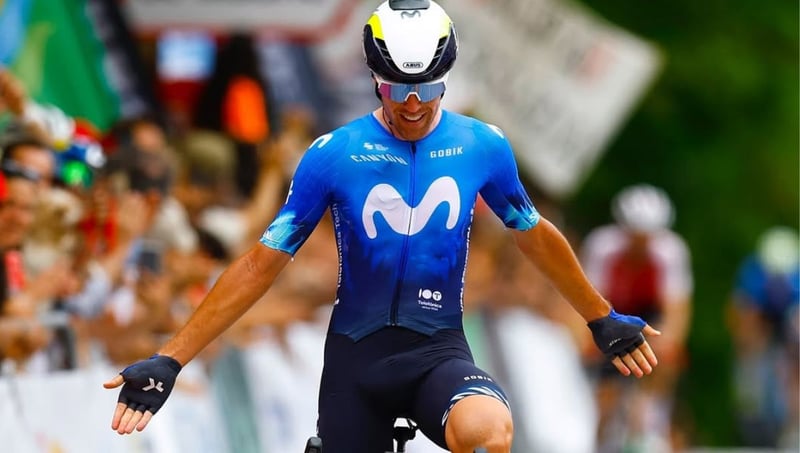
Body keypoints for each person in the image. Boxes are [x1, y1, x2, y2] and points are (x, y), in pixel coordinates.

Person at [104, 2, 660, 452]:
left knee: (489, 433)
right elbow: (258, 265)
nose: (412, 103)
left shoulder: (482, 146)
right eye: (397, 88)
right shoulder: (334, 154)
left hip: (438, 352)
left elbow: (534, 236)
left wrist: (600, 316)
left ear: (447, 77)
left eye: (427, 88)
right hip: (356, 362)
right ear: (375, 76)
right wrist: (171, 358)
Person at [580, 184, 693, 452]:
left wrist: (667, 345)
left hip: (649, 316)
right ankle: (598, 437)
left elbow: (677, 310)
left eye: (647, 238)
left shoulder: (671, 251)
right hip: (609, 312)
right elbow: (588, 299)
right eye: (635, 237)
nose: (641, 245)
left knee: (665, 359)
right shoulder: (602, 246)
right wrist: (590, 341)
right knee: (604, 394)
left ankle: (652, 422)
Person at [727, 226, 799, 448]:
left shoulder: (795, 274)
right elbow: (743, 313)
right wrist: (747, 349)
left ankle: (794, 425)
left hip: (790, 316)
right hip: (761, 317)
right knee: (752, 353)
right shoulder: (753, 272)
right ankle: (753, 409)